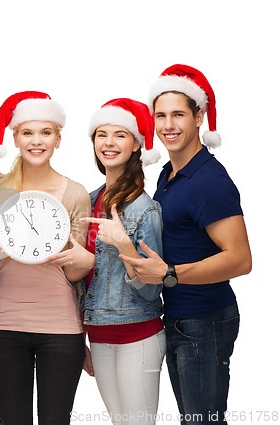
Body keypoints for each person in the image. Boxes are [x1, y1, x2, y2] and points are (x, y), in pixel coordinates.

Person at [120, 64, 252, 425]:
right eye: (160, 115)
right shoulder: (169, 174)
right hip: (178, 317)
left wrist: (170, 274)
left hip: (204, 319)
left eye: (178, 114)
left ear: (199, 117)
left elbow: (240, 259)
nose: (168, 125)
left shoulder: (209, 180)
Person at [0, 91, 93, 425]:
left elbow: (77, 275)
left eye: (45, 133)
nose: (36, 141)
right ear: (15, 138)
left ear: (58, 139)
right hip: (6, 324)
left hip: (61, 327)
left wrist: (78, 258)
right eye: (27, 133)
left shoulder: (75, 192)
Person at [78, 98, 166, 425]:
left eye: (120, 135)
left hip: (138, 336)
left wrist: (124, 245)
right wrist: (80, 338)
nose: (109, 143)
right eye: (102, 135)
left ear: (136, 145)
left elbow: (150, 288)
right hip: (98, 337)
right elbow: (82, 278)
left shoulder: (145, 208)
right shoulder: (89, 200)